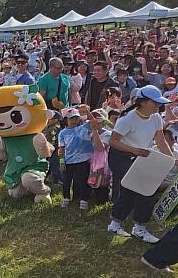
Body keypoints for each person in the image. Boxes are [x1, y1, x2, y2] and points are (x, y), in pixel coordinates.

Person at [107, 85, 178, 243]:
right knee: (138, 189)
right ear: (144, 102)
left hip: (140, 157)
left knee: (140, 190)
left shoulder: (156, 117)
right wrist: (134, 150)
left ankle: (120, 224)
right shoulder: (127, 119)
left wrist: (171, 159)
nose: (158, 106)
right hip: (121, 157)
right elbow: (114, 141)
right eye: (155, 103)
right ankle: (135, 227)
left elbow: (160, 140)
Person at [58, 107, 102, 211]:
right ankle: (66, 197)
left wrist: (87, 111)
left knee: (83, 181)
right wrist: (62, 161)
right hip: (69, 161)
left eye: (76, 118)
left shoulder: (83, 127)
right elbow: (61, 148)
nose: (74, 121)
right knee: (66, 181)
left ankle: (84, 200)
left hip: (83, 161)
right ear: (66, 120)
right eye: (71, 118)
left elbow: (93, 122)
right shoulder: (62, 133)